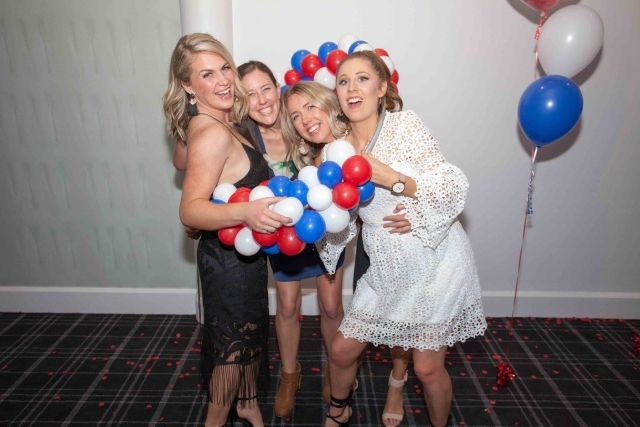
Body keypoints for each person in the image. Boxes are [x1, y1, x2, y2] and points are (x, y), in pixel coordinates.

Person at [319, 51, 487, 427]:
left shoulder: (404, 126)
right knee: (342, 350)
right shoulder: (334, 151)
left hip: (436, 259)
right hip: (387, 267)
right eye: (343, 81)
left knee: (427, 367)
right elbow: (340, 219)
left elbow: (449, 185)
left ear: (382, 88)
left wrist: (395, 180)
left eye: (362, 79)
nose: (352, 88)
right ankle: (339, 412)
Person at [162, 33, 292, 427]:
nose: (222, 80)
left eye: (224, 68)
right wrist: (246, 213)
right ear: (187, 85)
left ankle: (248, 404)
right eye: (207, 74)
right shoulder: (213, 132)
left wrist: (185, 126)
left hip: (241, 255)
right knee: (231, 352)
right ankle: (215, 420)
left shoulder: (221, 120)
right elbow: (190, 210)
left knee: (249, 336)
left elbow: (183, 163)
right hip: (227, 264)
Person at [235, 62, 348, 418]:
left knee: (331, 306)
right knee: (286, 306)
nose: (261, 100)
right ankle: (289, 375)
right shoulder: (243, 136)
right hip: (282, 234)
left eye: (266, 89)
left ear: (277, 88)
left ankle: (337, 370)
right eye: (250, 94)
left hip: (325, 229)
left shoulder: (303, 121)